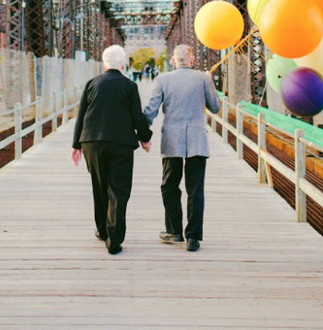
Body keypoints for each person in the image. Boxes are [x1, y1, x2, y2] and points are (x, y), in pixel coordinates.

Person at [71, 45, 152, 255]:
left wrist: (76, 145)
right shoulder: (129, 86)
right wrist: (145, 139)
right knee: (119, 190)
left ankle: (102, 229)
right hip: (120, 144)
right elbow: (137, 117)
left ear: (104, 62)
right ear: (124, 65)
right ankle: (114, 239)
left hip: (92, 143)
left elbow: (82, 115)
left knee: (99, 186)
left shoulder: (92, 83)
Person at [143, 44, 220, 252]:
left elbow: (151, 110)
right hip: (197, 140)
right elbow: (215, 107)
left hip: (172, 140)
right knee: (195, 189)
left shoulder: (163, 79)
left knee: (169, 186)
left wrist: (142, 133)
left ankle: (174, 230)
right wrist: (209, 82)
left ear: (173, 60)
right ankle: (193, 237)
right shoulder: (203, 79)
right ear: (192, 60)